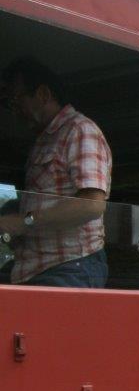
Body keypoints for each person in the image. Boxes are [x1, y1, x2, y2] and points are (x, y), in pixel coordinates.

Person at [0, 57, 112, 287]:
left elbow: (91, 204)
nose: (15, 110)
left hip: (70, 267)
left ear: (43, 94)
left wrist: (24, 221)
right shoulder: (43, 141)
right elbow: (45, 200)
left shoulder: (79, 130)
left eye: (16, 100)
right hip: (36, 267)